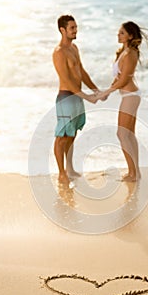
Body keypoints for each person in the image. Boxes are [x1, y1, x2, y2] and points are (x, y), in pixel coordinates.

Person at [97, 21, 148, 182]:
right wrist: (107, 91)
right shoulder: (122, 52)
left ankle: (132, 173)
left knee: (122, 134)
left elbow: (124, 80)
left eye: (122, 33)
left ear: (130, 36)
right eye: (118, 32)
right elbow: (118, 78)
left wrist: (106, 92)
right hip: (129, 96)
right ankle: (135, 173)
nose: (118, 35)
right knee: (129, 135)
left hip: (130, 96)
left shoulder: (131, 54)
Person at [53, 15, 99, 184]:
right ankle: (61, 173)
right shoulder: (59, 53)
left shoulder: (75, 48)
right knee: (62, 137)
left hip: (77, 98)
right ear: (62, 30)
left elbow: (81, 72)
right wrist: (86, 96)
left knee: (72, 134)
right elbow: (66, 80)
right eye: (72, 28)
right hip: (66, 98)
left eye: (76, 27)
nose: (75, 31)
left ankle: (69, 169)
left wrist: (95, 89)